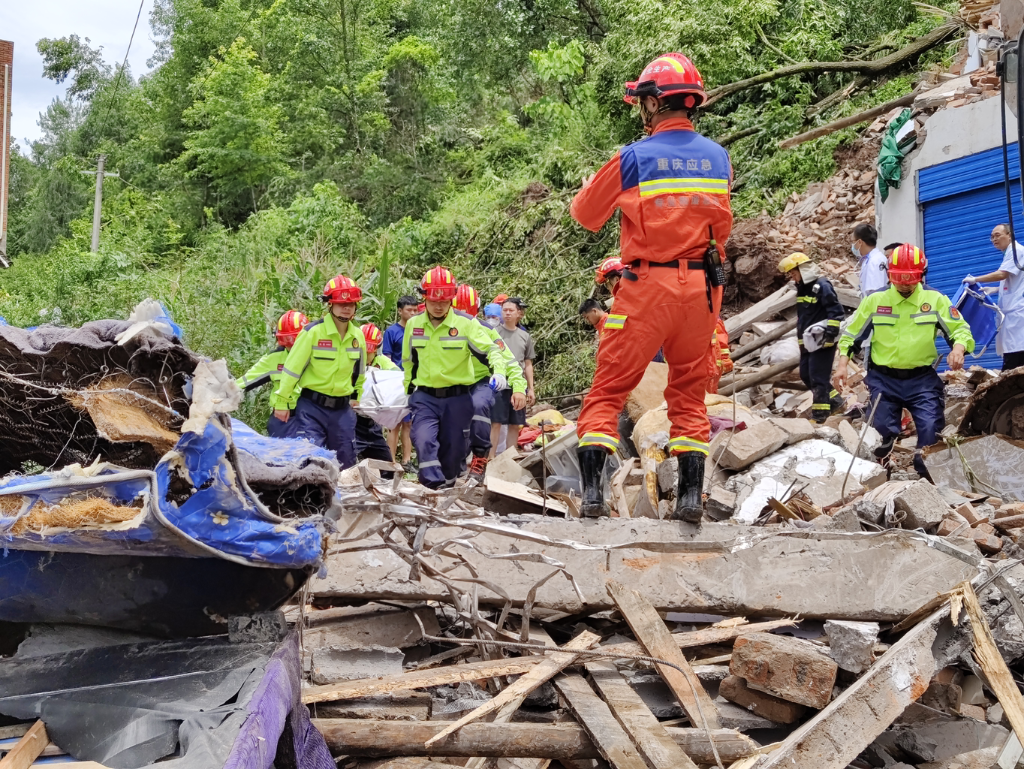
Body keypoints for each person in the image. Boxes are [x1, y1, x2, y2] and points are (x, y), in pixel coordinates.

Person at [570, 52, 732, 522]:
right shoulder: (718, 157)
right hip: (702, 290)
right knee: (687, 392)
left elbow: (585, 215)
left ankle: (594, 498)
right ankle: (688, 499)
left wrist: (589, 188)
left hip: (645, 285)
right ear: (691, 104)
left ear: (651, 104)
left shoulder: (633, 158)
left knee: (607, 391)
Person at [834, 244, 974, 480]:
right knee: (880, 431)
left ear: (922, 275)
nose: (905, 283)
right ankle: (880, 474)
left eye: (911, 278)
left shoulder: (935, 300)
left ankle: (927, 478)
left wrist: (958, 349)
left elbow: (961, 330)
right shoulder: (875, 300)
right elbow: (851, 335)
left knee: (931, 428)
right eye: (899, 278)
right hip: (883, 379)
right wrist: (841, 365)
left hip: (922, 379)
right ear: (890, 275)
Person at [403, 266, 508, 489]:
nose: (439, 306)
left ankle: (446, 487)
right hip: (425, 397)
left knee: (453, 450)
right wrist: (407, 392)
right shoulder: (413, 325)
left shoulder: (465, 324)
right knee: (423, 440)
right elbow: (409, 362)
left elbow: (491, 350)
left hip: (457, 398)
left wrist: (498, 371)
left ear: (452, 299)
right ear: (425, 298)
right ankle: (432, 486)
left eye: (444, 301)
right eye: (434, 301)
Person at [272, 275, 367, 469]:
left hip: (342, 410)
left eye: (350, 303)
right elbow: (292, 370)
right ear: (330, 304)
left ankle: (341, 499)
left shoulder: (357, 336)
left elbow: (359, 371)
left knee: (346, 463)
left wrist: (356, 395)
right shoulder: (312, 332)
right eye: (341, 303)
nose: (346, 307)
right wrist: (281, 401)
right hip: (312, 408)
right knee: (312, 459)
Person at [453, 283, 528, 476]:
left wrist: (519, 387)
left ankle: (480, 456)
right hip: (451, 382)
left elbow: (509, 360)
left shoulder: (486, 331)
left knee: (479, 409)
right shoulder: (437, 327)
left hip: (480, 382)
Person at [778, 253, 845, 423]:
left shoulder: (822, 286)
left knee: (818, 376)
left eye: (794, 273)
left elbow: (836, 312)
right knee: (806, 375)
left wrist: (830, 334)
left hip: (822, 340)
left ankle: (820, 416)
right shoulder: (803, 287)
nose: (793, 277)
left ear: (803, 269)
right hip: (807, 341)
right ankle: (836, 401)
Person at [236, 310, 308, 438]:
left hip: (311, 416)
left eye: (294, 339)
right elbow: (244, 382)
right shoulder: (274, 359)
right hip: (283, 418)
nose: (291, 345)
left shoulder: (319, 356)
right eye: (286, 340)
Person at [964, 223, 1024, 371]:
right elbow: (1016, 282)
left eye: (998, 235)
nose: (994, 239)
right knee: (1013, 359)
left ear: (1009, 235)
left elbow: (1002, 274)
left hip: (1017, 315)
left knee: (1014, 363)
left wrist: (976, 279)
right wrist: (996, 289)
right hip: (1012, 315)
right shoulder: (1009, 253)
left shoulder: (1017, 251)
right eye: (992, 237)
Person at [490, 297, 536, 457]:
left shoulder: (524, 336)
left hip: (518, 386)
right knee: (495, 423)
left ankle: (509, 457)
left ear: (519, 313)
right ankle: (489, 459)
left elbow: (528, 364)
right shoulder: (494, 334)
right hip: (499, 385)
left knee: (515, 424)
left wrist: (530, 388)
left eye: (511, 310)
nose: (507, 313)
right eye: (504, 310)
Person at [355, 323, 400, 471]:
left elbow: (397, 377)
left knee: (387, 467)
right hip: (352, 420)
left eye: (370, 352)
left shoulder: (382, 362)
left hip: (372, 421)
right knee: (346, 462)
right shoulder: (349, 359)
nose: (366, 356)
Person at [383, 296, 418, 468]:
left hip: (413, 381)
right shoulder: (392, 332)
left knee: (409, 423)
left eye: (415, 310)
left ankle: (407, 460)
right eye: (409, 310)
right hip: (396, 382)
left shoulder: (418, 330)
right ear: (400, 311)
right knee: (394, 423)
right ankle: (391, 461)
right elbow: (386, 358)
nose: (412, 313)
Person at [852, 223, 889, 298]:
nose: (853, 245)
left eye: (853, 241)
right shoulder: (870, 259)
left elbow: (875, 295)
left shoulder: (874, 262)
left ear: (859, 242)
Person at [705, 317, 732, 394]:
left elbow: (721, 341)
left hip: (712, 364)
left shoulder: (715, 321)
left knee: (710, 388)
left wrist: (725, 358)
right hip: (708, 364)